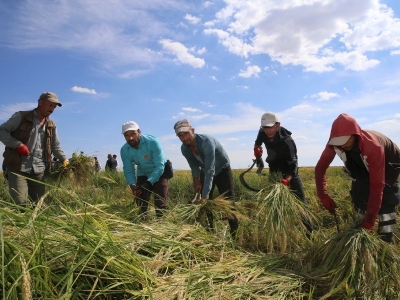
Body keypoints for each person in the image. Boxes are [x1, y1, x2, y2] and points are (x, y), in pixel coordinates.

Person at [315, 113, 400, 243]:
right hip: (361, 165)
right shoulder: (335, 143)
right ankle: (359, 234)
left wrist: (370, 220)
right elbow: (320, 168)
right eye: (338, 143)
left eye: (344, 141)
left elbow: (377, 186)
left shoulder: (373, 147)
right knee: (360, 193)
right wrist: (323, 195)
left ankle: (386, 240)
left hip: (388, 165)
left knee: (386, 200)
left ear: (355, 135)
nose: (341, 146)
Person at [0, 92, 68, 207]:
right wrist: (17, 145)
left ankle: (34, 225)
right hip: (18, 167)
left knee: (37, 205)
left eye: (54, 107)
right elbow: (2, 131)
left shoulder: (51, 125)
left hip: (39, 170)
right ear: (40, 102)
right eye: (50, 105)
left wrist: (64, 159)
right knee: (21, 204)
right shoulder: (21, 116)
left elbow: (55, 146)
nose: (52, 109)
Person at [174, 119, 239, 237]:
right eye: (180, 136)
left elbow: (210, 170)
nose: (184, 138)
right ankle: (210, 231)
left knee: (229, 202)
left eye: (186, 133)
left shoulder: (206, 142)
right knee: (207, 204)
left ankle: (235, 233)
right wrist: (196, 180)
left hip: (222, 169)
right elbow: (194, 166)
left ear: (192, 131)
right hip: (205, 170)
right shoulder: (184, 148)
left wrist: (204, 196)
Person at [254, 112, 308, 204]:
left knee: (301, 203)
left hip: (290, 173)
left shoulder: (287, 141)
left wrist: (287, 179)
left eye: (270, 127)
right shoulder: (262, 132)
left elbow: (293, 165)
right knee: (275, 203)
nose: (267, 131)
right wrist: (257, 150)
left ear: (278, 125)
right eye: (265, 127)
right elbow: (258, 143)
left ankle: (305, 218)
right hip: (274, 172)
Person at [120, 121, 172, 218]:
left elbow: (159, 166)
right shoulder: (124, 150)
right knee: (141, 201)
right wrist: (133, 185)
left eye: (133, 134)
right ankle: (144, 223)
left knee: (160, 202)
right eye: (126, 135)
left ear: (139, 132)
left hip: (160, 172)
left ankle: (162, 226)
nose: (130, 138)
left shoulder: (152, 142)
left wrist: (149, 183)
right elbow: (129, 170)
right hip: (143, 172)